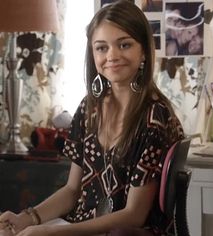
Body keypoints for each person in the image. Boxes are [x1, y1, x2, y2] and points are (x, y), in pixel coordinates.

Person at [0, 1, 184, 235]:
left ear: (144, 51)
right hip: (84, 227)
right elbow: (72, 190)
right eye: (101, 48)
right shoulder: (90, 107)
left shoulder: (155, 117)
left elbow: (134, 216)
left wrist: (50, 232)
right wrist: (27, 218)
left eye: (124, 44)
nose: (112, 56)